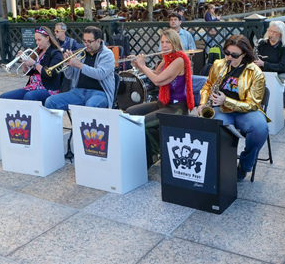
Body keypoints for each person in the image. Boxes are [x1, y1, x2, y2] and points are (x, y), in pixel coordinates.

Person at [197, 35, 270, 181]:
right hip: (221, 109)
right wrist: (203, 102)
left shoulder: (256, 73)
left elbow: (253, 104)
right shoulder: (219, 64)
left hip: (246, 110)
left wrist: (226, 101)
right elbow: (208, 85)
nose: (229, 57)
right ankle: (220, 165)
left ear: (244, 54)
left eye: (234, 55)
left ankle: (244, 166)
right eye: (227, 53)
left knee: (260, 129)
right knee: (215, 128)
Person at [126, 29, 195, 168]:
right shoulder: (167, 58)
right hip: (162, 103)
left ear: (175, 42)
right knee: (129, 113)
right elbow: (154, 74)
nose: (164, 45)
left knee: (141, 124)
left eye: (168, 42)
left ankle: (157, 152)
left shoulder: (180, 59)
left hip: (176, 108)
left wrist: (143, 66)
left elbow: (158, 81)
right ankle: (144, 151)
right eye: (162, 42)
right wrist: (139, 66)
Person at [45, 26, 115, 110]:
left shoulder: (107, 54)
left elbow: (101, 74)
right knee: (50, 101)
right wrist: (67, 64)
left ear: (98, 41)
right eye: (84, 41)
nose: (86, 44)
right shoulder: (81, 53)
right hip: (78, 91)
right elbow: (70, 76)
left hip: (100, 93)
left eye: (89, 41)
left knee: (90, 105)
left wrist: (79, 65)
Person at [0, 26, 64, 104]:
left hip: (48, 88)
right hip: (32, 87)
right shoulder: (38, 52)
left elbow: (49, 74)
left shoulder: (56, 53)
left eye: (39, 40)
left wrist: (34, 63)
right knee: (3, 97)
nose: (37, 43)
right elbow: (28, 73)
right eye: (36, 40)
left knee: (29, 96)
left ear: (47, 38)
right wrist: (24, 62)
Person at [255, 21, 285, 106]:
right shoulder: (262, 44)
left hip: (282, 73)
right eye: (270, 30)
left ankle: (280, 105)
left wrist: (264, 64)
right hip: (263, 72)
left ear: (280, 34)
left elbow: (283, 66)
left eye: (274, 32)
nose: (271, 33)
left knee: (281, 79)